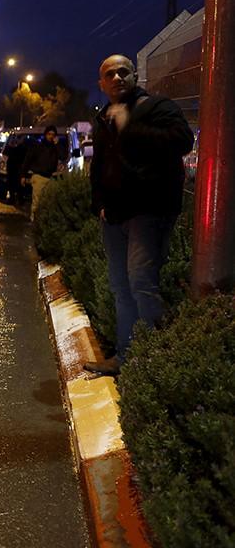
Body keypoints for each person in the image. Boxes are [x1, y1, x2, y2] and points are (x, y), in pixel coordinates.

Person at [84, 54, 193, 376]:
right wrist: (99, 204)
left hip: (148, 211)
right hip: (114, 215)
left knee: (142, 283)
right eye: (109, 74)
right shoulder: (104, 117)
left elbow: (182, 141)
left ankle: (155, 362)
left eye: (123, 72)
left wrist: (131, 126)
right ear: (101, 83)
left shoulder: (157, 108)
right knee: (120, 286)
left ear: (134, 76)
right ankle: (125, 356)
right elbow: (101, 165)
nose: (117, 78)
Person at [20, 125, 64, 220]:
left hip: (51, 177)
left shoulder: (55, 148)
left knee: (50, 202)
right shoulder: (38, 147)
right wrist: (23, 175)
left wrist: (57, 145)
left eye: (53, 134)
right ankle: (34, 220)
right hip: (39, 176)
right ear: (45, 135)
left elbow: (62, 156)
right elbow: (27, 160)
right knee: (37, 201)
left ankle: (44, 221)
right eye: (49, 134)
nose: (51, 136)